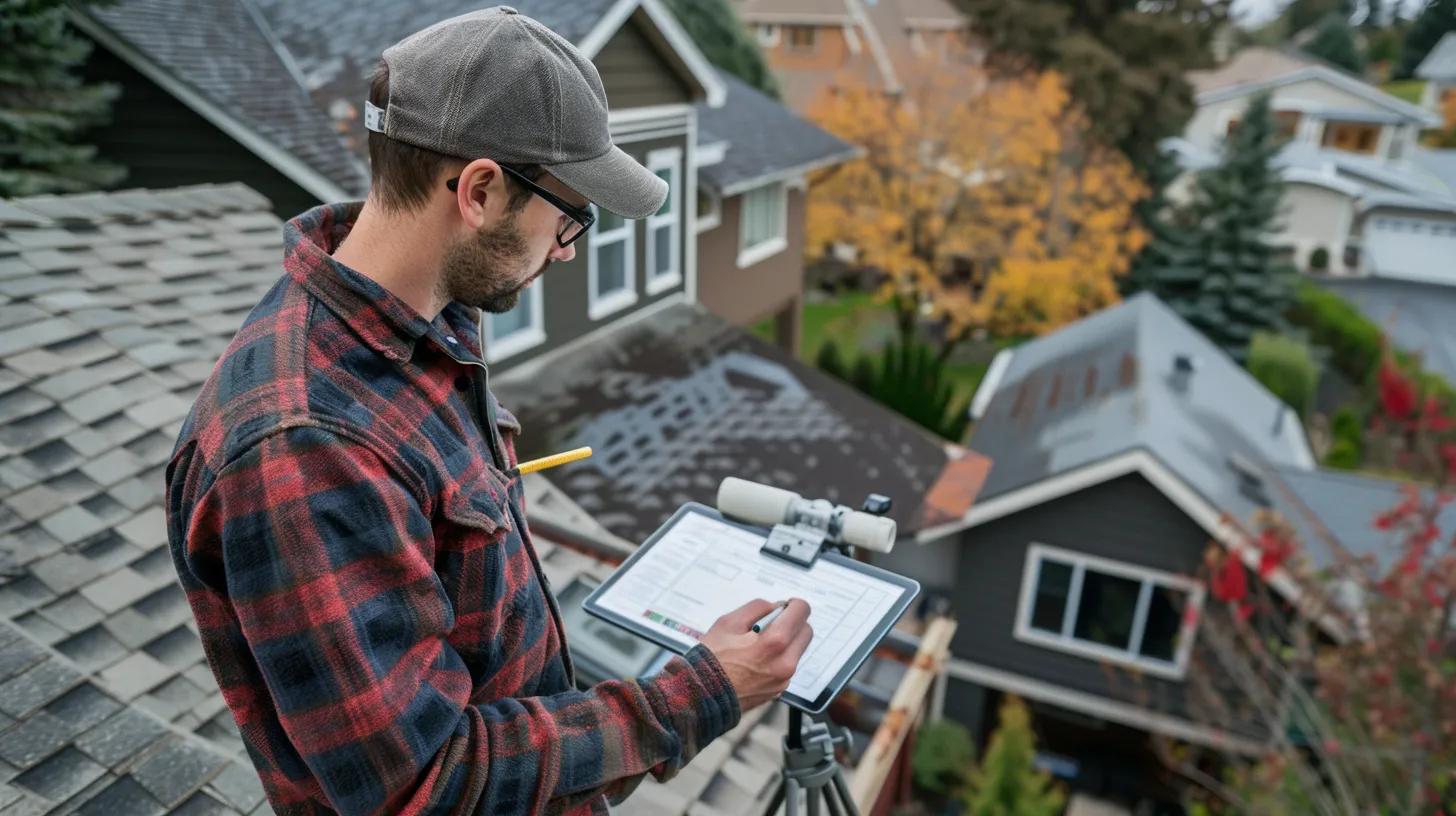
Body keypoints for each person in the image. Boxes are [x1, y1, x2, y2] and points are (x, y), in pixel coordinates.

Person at [163, 7, 814, 814]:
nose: (570, 247)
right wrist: (698, 695)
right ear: (479, 190)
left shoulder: (429, 330)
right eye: (569, 215)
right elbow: (424, 782)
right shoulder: (302, 444)